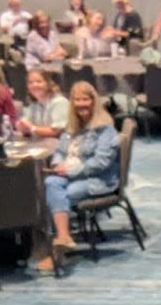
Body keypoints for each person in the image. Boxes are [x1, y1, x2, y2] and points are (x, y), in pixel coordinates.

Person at [40, 81, 120, 272]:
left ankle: (57, 253)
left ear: (94, 101)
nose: (81, 104)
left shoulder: (105, 128)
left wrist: (71, 170)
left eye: (85, 99)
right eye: (77, 100)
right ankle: (64, 237)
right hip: (70, 172)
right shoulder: (72, 126)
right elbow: (60, 150)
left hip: (98, 180)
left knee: (61, 196)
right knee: (50, 182)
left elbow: (101, 163)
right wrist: (56, 163)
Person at [17, 67, 70, 139]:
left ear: (48, 84)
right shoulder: (34, 104)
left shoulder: (60, 102)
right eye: (30, 82)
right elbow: (27, 124)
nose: (34, 85)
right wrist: (22, 127)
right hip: (42, 145)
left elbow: (56, 132)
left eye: (39, 81)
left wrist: (32, 128)